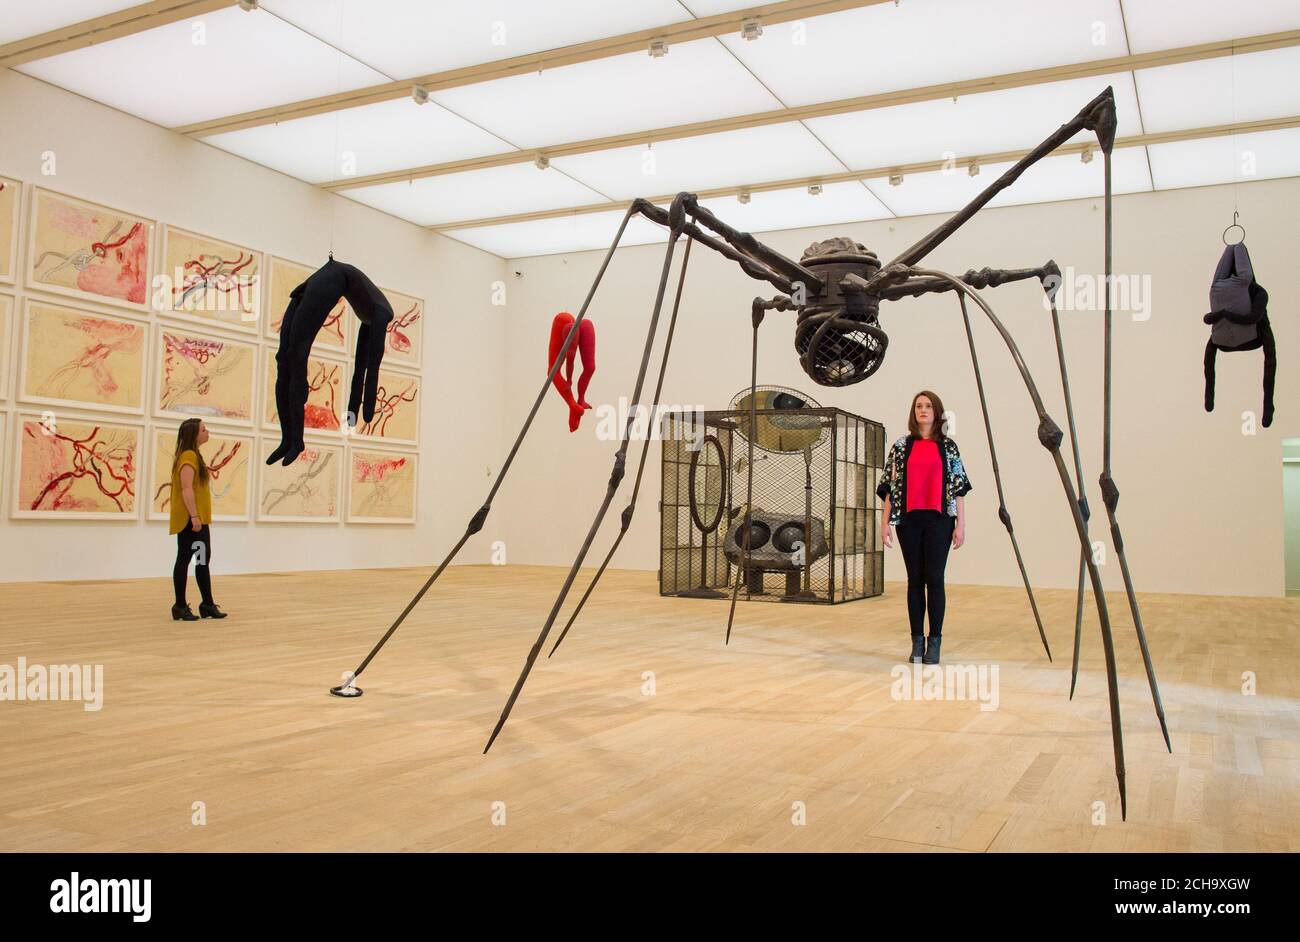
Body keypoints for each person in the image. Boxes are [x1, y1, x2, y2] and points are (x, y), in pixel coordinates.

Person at [877, 390, 971, 665]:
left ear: (936, 411)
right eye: (919, 405)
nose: (923, 409)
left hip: (940, 520)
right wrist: (885, 523)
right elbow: (889, 487)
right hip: (909, 520)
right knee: (915, 580)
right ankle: (917, 641)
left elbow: (959, 489)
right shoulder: (901, 446)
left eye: (928, 405)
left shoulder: (949, 447)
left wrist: (961, 525)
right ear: (913, 411)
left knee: (935, 578)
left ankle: (935, 641)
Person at [169, 418, 227, 621]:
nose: (207, 431)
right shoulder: (189, 456)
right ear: (194, 434)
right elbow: (186, 488)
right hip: (191, 521)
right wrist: (194, 516)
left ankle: (206, 604)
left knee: (200, 560)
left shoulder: (193, 455)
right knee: (187, 559)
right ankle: (181, 606)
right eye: (203, 429)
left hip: (196, 520)